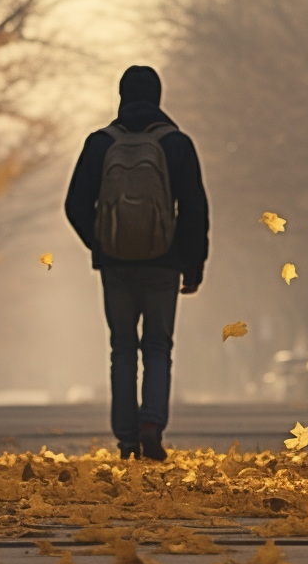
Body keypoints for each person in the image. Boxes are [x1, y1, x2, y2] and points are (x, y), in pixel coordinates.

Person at [64, 65, 209, 461]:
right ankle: (151, 425)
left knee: (122, 347)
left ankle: (126, 438)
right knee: (159, 345)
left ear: (122, 96)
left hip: (116, 266)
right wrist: (192, 266)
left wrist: (101, 243)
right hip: (166, 264)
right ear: (158, 97)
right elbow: (195, 208)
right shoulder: (177, 144)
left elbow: (74, 205)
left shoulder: (99, 144)